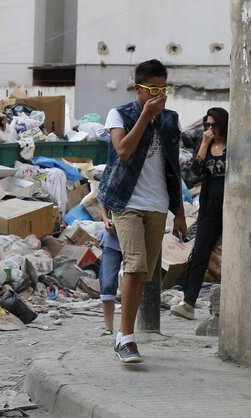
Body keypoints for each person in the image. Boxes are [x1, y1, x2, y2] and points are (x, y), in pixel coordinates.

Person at [97, 59, 187, 364]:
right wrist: (146, 117)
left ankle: (123, 335)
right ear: (138, 89)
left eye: (164, 89)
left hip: (157, 204)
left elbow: (173, 168)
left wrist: (180, 212)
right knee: (135, 266)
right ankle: (128, 339)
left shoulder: (170, 119)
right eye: (152, 89)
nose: (159, 95)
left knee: (143, 275)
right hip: (126, 202)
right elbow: (123, 150)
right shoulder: (120, 113)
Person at [170, 108, 228, 320]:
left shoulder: (234, 146)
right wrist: (203, 144)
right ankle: (188, 303)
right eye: (207, 125)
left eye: (215, 125)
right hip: (209, 208)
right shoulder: (207, 146)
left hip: (232, 209)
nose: (211, 130)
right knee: (200, 254)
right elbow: (193, 175)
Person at [99, 204, 123, 336]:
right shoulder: (114, 185)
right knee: (107, 284)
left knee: (131, 284)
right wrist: (106, 220)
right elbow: (104, 203)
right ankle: (108, 328)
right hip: (112, 241)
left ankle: (125, 329)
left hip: (133, 241)